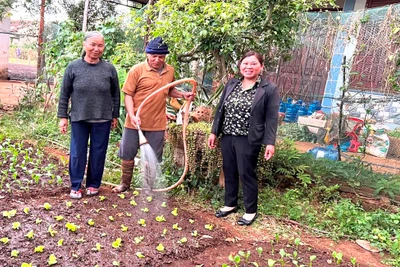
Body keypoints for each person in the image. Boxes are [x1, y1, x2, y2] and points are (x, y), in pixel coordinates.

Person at [112, 37, 195, 193]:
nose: (157, 60)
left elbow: (169, 90)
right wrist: (132, 114)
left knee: (153, 158)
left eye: (161, 57)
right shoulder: (137, 70)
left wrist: (182, 95)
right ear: (147, 54)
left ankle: (147, 187)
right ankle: (125, 184)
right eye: (154, 56)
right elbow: (128, 95)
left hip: (157, 123)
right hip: (135, 121)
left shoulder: (170, 70)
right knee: (128, 153)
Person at [207, 51, 280, 226]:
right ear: (240, 66)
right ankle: (230, 203)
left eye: (253, 63)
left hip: (248, 138)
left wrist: (270, 142)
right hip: (228, 135)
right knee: (229, 169)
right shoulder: (232, 84)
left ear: (261, 67)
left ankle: (250, 210)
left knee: (246, 172)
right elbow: (220, 110)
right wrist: (214, 132)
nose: (249, 67)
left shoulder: (268, 89)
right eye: (245, 63)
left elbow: (271, 118)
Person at [57, 31, 120, 199]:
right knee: (77, 153)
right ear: (84, 45)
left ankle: (93, 184)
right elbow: (64, 94)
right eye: (93, 44)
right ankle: (76, 185)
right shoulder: (73, 67)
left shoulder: (109, 69)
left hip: (103, 118)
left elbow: (115, 94)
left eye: (100, 45)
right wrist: (63, 117)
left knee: (99, 152)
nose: (96, 49)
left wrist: (114, 115)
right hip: (79, 118)